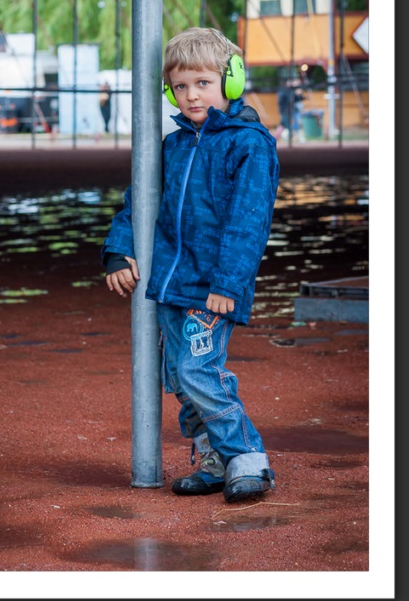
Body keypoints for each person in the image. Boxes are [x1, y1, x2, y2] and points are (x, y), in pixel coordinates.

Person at [101, 27, 280, 504]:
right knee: (180, 378)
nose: (190, 94)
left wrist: (228, 284)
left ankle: (248, 460)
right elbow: (138, 202)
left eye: (202, 82)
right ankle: (214, 460)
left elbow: (248, 221)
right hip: (172, 286)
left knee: (200, 371)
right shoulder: (173, 145)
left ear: (232, 80)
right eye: (180, 86)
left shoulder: (249, 144)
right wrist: (119, 249)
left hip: (212, 289)